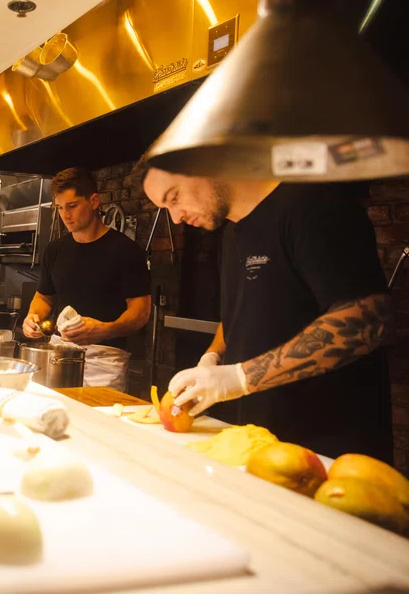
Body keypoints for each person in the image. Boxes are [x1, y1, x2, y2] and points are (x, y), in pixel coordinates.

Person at [140, 166, 393, 463]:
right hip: (263, 437)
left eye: (174, 198)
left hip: (330, 447)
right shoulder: (230, 233)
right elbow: (237, 312)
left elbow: (367, 320)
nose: (175, 217)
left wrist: (241, 377)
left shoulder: (311, 205)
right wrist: (212, 357)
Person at [22, 168, 152, 391]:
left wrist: (104, 330)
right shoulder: (55, 250)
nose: (65, 215)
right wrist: (32, 317)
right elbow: (44, 297)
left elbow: (140, 313)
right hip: (58, 354)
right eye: (60, 208)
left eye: (72, 206)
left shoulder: (126, 251)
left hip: (105, 361)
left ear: (93, 201)